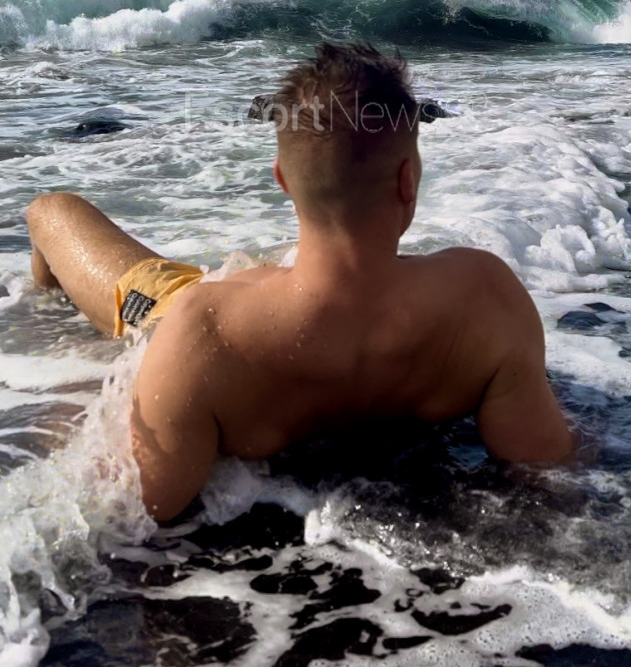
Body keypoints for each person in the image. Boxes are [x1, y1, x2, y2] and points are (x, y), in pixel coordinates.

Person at [26, 43, 573, 522]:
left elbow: (136, 511)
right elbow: (546, 464)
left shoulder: (204, 330)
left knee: (51, 210)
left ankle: (39, 318)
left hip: (190, 315)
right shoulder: (486, 298)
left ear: (282, 180)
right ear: (407, 180)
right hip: (272, 304)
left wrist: (70, 402)